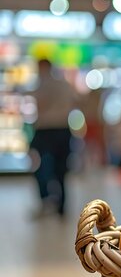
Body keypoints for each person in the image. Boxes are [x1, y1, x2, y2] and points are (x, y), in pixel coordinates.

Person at [30, 59, 76, 218]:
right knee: (61, 169)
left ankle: (46, 200)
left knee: (39, 166)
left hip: (45, 130)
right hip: (64, 129)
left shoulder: (42, 84)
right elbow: (75, 102)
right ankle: (62, 205)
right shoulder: (64, 83)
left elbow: (39, 105)